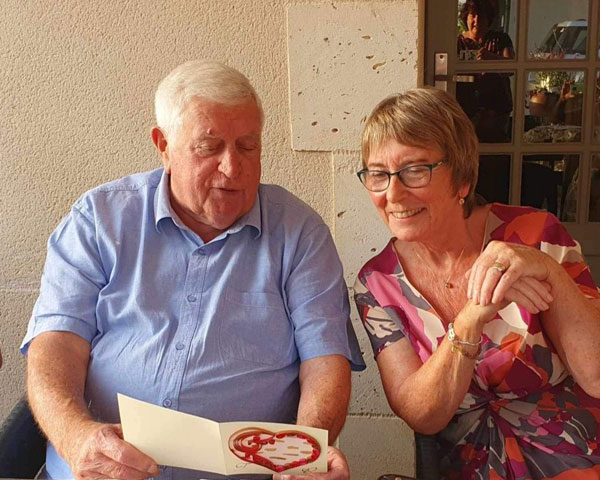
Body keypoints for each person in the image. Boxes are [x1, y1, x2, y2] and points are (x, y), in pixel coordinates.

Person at [22, 60, 364, 480]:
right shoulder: (99, 219)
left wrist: (306, 455)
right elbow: (54, 347)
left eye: (247, 146)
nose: (232, 168)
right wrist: (75, 438)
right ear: (163, 146)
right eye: (209, 147)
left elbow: (326, 363)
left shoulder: (300, 233)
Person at [353, 87, 600, 478]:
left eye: (414, 170)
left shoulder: (534, 235)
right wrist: (469, 321)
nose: (392, 194)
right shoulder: (377, 283)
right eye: (377, 174)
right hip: (482, 464)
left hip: (591, 448)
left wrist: (549, 272)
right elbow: (424, 417)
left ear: (461, 179)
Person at [456, 0, 514, 143]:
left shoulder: (500, 39)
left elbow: (512, 67)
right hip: (466, 109)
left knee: (495, 153)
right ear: (466, 19)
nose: (476, 21)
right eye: (472, 16)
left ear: (488, 19)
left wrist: (492, 59)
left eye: (481, 16)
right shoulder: (458, 42)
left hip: (496, 111)